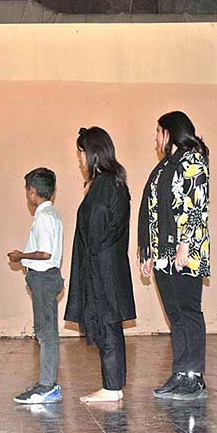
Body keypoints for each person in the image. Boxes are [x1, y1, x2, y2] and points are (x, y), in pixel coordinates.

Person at [139, 111, 210, 400]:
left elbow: (195, 207)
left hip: (185, 252)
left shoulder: (193, 161)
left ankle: (195, 377)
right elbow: (153, 211)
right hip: (163, 255)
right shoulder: (164, 167)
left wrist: (185, 245)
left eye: (159, 132)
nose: (156, 138)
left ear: (169, 133)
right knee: (176, 316)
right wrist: (149, 252)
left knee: (189, 312)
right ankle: (181, 372)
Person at [64, 127, 136, 402]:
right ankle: (112, 385)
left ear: (93, 154)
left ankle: (112, 387)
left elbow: (96, 227)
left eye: (81, 154)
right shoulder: (110, 182)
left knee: (108, 323)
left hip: (102, 266)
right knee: (110, 323)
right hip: (106, 263)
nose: (80, 161)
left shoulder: (105, 185)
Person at [10, 168, 64, 404]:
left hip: (44, 278)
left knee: (46, 335)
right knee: (45, 332)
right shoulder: (52, 214)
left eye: (27, 191)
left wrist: (20, 256)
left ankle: (47, 386)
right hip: (45, 278)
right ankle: (47, 381)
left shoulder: (43, 218)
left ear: (33, 192)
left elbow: (45, 253)